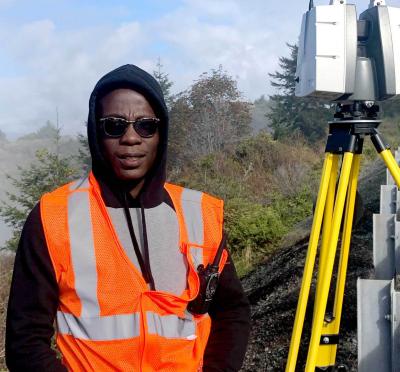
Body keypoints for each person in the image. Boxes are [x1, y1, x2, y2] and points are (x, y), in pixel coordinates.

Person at [6, 64, 251, 371]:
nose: (131, 138)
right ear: (96, 131)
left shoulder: (198, 212)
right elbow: (25, 340)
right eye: (114, 125)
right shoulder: (53, 217)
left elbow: (232, 311)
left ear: (162, 133)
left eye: (146, 125)